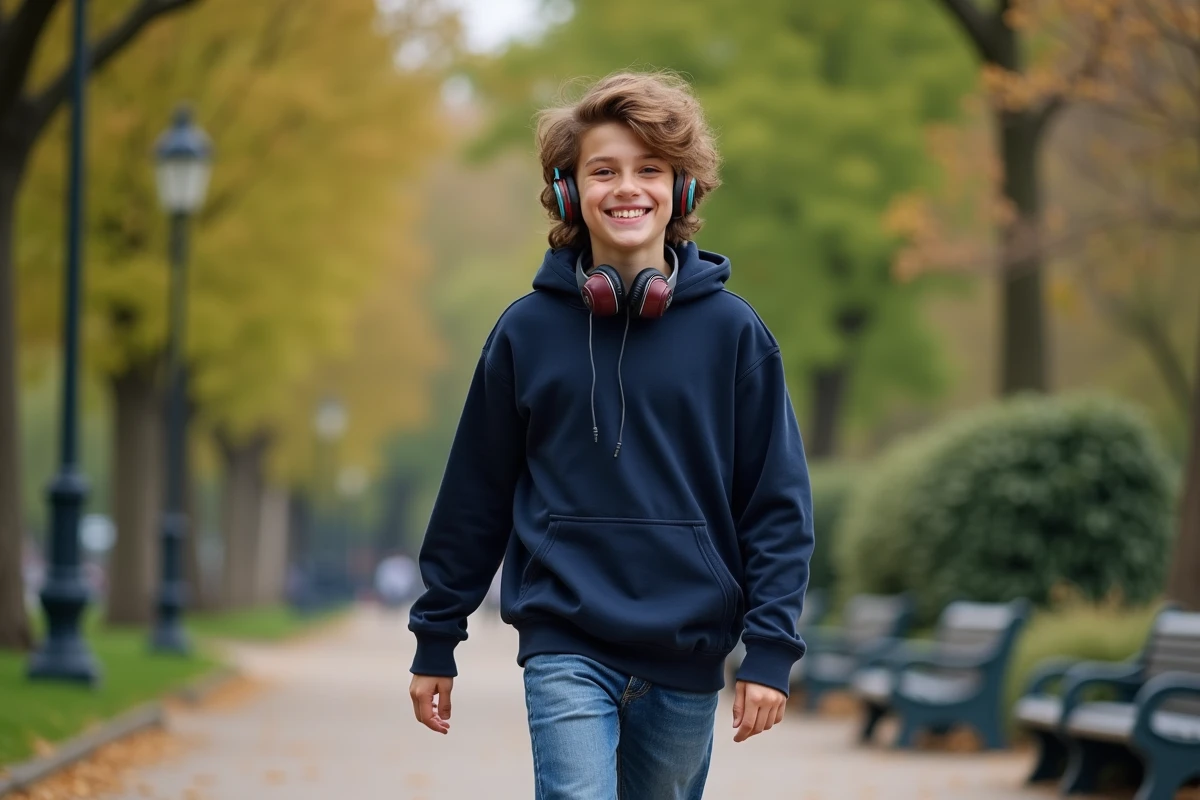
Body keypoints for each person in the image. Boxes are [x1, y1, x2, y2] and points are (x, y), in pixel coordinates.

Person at [408, 71, 815, 800]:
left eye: (649, 170)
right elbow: (477, 493)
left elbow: (776, 505)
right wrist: (438, 633)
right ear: (570, 192)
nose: (627, 188)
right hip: (566, 639)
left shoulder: (735, 335)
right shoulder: (524, 333)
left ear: (682, 191)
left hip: (687, 650)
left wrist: (770, 652)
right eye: (604, 171)